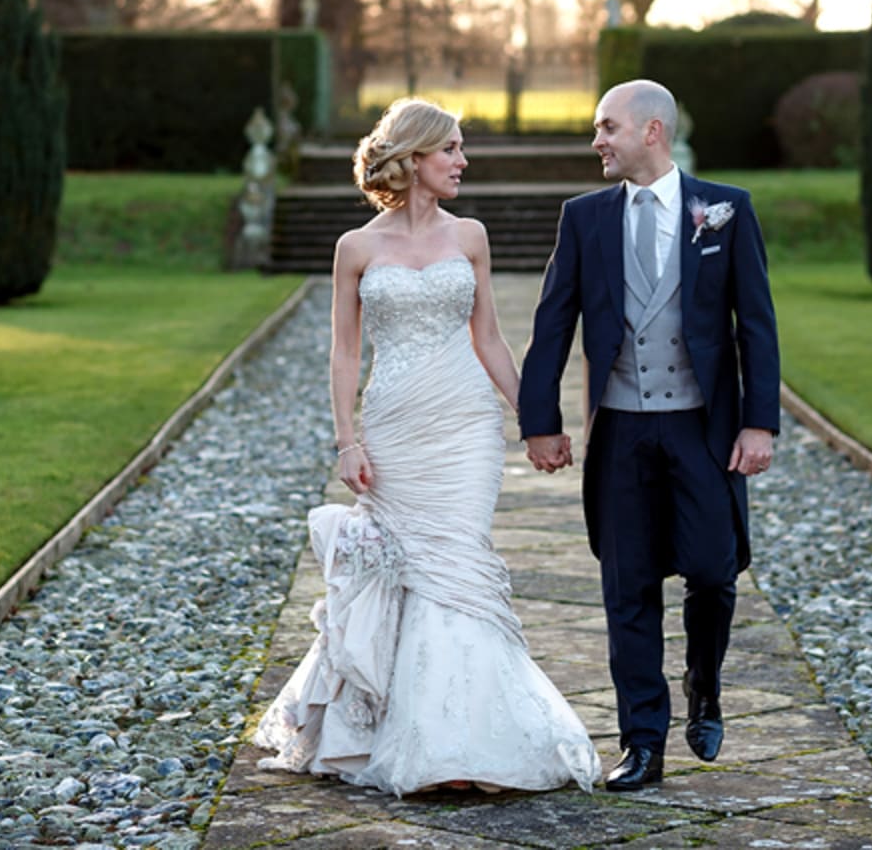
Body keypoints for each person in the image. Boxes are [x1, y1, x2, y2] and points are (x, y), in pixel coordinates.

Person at [254, 97, 599, 796]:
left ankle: (470, 743)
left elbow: (491, 339)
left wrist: (537, 421)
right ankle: (393, 734)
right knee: (404, 568)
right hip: (393, 426)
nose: (462, 162)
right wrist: (346, 439)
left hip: (467, 426)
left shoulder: (470, 235)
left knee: (459, 566)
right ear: (413, 159)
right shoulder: (356, 247)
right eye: (451, 150)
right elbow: (344, 355)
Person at [518, 78, 780, 791]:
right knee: (626, 586)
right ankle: (643, 743)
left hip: (703, 428)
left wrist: (760, 421)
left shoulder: (724, 211)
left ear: (651, 131)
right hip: (623, 429)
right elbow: (552, 324)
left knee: (713, 571)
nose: (596, 141)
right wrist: (540, 423)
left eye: (606, 128)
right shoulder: (586, 218)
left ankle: (705, 683)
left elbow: (754, 322)